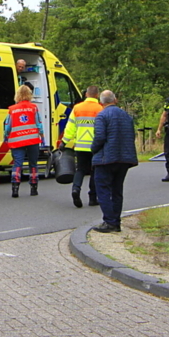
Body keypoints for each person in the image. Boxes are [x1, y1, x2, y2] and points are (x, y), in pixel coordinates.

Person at [90, 90, 138, 233]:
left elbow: (100, 137)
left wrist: (93, 150)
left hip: (106, 158)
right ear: (115, 100)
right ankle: (116, 221)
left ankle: (110, 221)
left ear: (101, 103)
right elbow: (131, 135)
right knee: (117, 190)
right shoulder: (127, 116)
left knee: (103, 189)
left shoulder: (102, 116)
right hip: (124, 158)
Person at [59, 85, 101, 208]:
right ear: (97, 95)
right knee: (95, 171)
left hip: (80, 146)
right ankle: (93, 198)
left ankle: (75, 189)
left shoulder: (77, 108)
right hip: (95, 146)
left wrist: (64, 142)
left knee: (80, 170)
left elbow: (70, 127)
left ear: (86, 94)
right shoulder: (100, 109)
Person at [4, 85, 45, 198]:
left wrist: (6, 136)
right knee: (33, 163)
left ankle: (15, 188)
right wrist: (42, 136)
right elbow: (39, 124)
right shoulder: (33, 107)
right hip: (32, 139)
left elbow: (8, 126)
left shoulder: (12, 109)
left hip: (16, 140)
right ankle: (33, 188)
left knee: (17, 164)